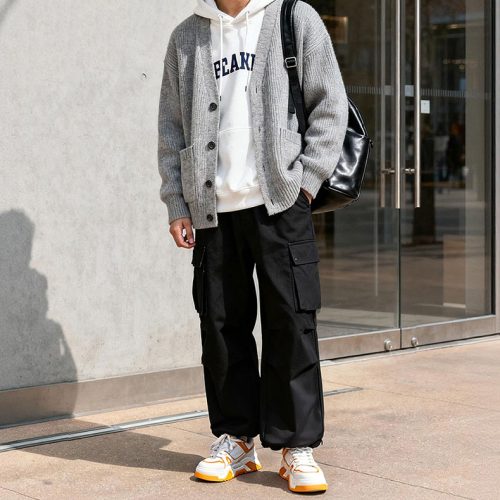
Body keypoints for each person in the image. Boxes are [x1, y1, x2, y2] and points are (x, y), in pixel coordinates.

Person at [157, 0, 348, 493]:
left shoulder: (293, 17)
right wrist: (178, 202)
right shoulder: (187, 37)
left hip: (280, 202)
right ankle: (237, 439)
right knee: (222, 326)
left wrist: (306, 183)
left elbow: (330, 105)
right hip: (213, 209)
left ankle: (296, 446)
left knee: (292, 323)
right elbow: (171, 127)